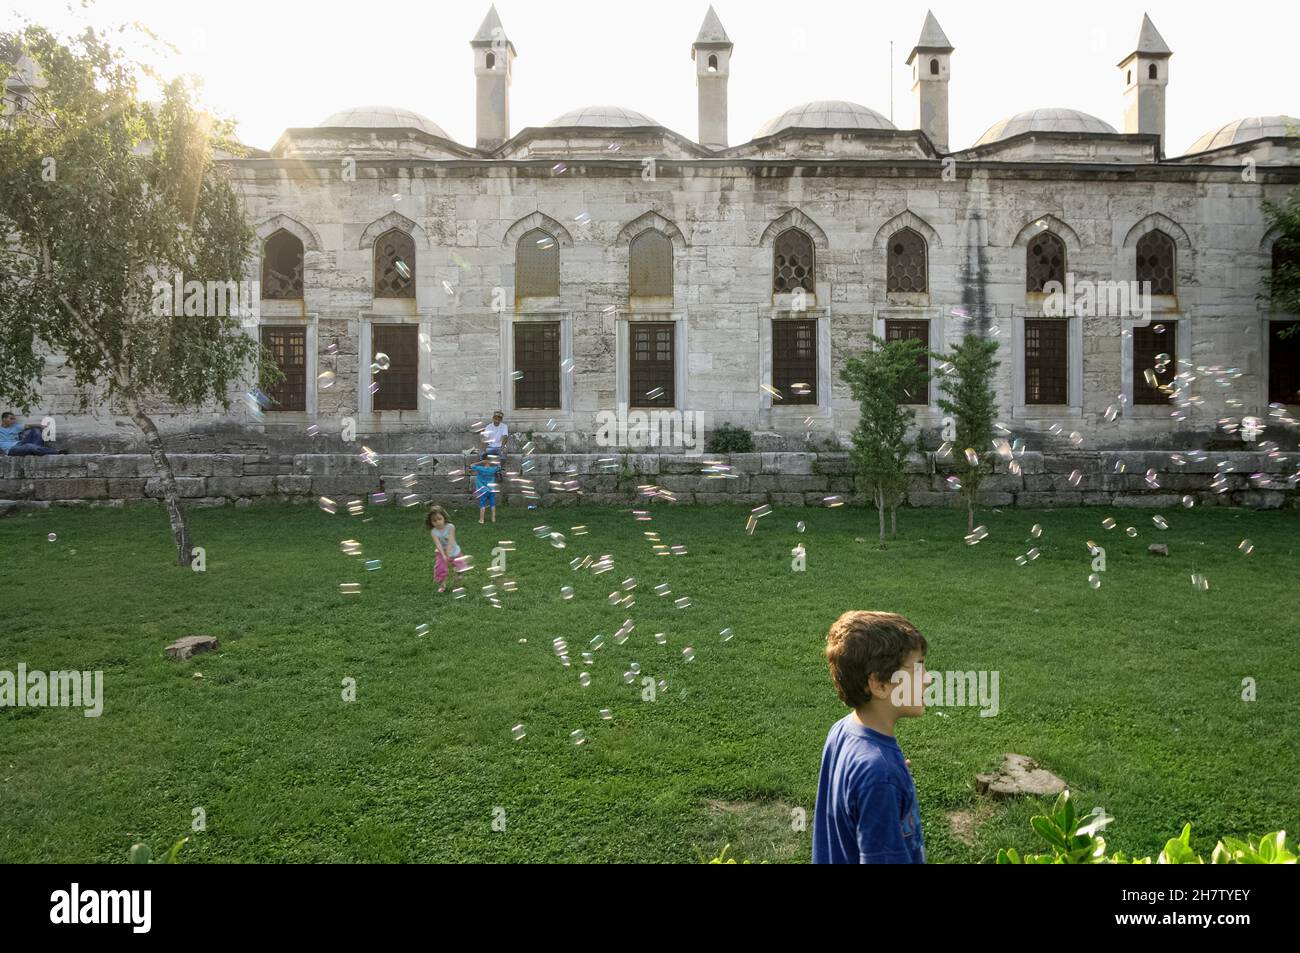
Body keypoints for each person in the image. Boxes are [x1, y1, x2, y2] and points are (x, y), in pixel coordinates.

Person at [813, 610, 928, 864]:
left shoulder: (842, 731)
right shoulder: (878, 772)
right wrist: (883, 782)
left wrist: (887, 783)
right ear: (880, 684)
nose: (928, 679)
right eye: (917, 668)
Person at [426, 504, 461, 594]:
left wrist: (448, 554)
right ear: (431, 522)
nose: (438, 522)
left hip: (454, 551)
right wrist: (443, 555)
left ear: (444, 517)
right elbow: (438, 544)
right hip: (441, 553)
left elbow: (451, 540)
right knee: (440, 568)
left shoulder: (450, 527)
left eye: (439, 519)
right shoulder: (433, 532)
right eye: (434, 521)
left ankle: (457, 585)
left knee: (459, 569)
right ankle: (442, 586)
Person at [469, 452, 498, 524]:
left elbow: (471, 465)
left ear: (483, 460)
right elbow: (499, 466)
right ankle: (493, 518)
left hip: (482, 490)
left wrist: (480, 462)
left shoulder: (479, 468)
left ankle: (481, 520)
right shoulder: (493, 469)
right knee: (493, 504)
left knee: (482, 504)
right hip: (492, 490)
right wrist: (491, 462)